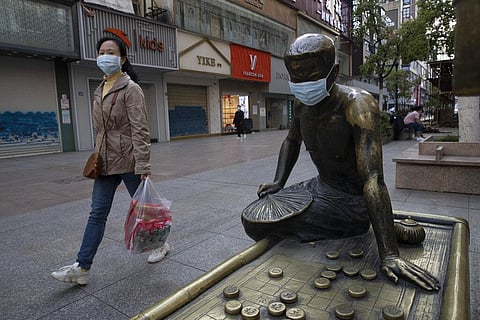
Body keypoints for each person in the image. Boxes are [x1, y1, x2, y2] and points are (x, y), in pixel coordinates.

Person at [241, 34, 439, 291]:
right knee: (256, 213)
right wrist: (279, 181)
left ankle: (366, 229)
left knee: (260, 224)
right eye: (295, 78)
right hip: (320, 186)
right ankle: (362, 227)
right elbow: (291, 141)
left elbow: (373, 178)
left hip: (351, 202)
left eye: (309, 78)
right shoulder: (302, 105)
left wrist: (389, 254)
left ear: (333, 73)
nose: (301, 85)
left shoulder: (358, 106)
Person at [51, 37, 169, 285]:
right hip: (105, 162)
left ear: (122, 59)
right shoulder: (99, 88)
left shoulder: (131, 89)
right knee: (97, 213)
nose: (105, 56)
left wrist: (143, 165)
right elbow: (101, 129)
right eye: (101, 52)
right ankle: (82, 268)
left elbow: (140, 129)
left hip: (128, 160)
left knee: (145, 209)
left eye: (111, 52)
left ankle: (161, 243)